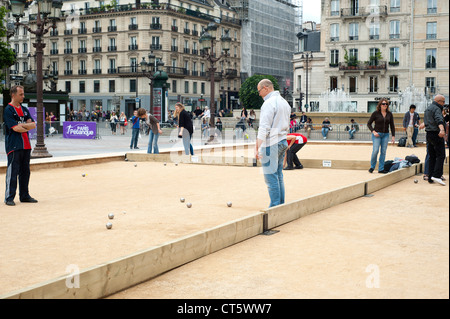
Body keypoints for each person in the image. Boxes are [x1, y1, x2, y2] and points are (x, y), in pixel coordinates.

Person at [254, 79, 291, 208]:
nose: (259, 94)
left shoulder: (269, 103)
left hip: (271, 143)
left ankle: (274, 206)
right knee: (279, 175)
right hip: (282, 141)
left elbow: (264, 128)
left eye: (259, 91)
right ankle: (280, 205)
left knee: (270, 178)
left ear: (265, 88)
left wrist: (257, 147)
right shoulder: (284, 102)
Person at [4, 85, 38, 206]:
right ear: (13, 95)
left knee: (25, 172)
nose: (23, 96)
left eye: (23, 94)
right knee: (13, 171)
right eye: (21, 94)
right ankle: (9, 197)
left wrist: (23, 126)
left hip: (26, 145)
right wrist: (25, 126)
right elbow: (15, 128)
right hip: (14, 145)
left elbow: (33, 125)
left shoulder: (24, 109)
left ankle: (24, 195)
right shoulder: (8, 110)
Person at [422, 95, 446, 186]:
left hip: (429, 134)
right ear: (439, 101)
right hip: (436, 134)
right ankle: (437, 175)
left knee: (432, 156)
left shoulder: (428, 108)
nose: (443, 104)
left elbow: (427, 120)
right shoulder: (437, 109)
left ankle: (430, 176)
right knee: (441, 155)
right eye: (443, 102)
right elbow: (438, 119)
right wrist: (442, 129)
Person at [367, 98, 396, 174]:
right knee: (375, 151)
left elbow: (392, 125)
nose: (385, 105)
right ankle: (372, 167)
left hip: (385, 135)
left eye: (386, 104)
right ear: (380, 105)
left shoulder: (389, 114)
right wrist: (373, 131)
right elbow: (368, 123)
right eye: (383, 104)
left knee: (383, 152)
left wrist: (393, 136)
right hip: (377, 134)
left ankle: (381, 169)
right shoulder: (375, 113)